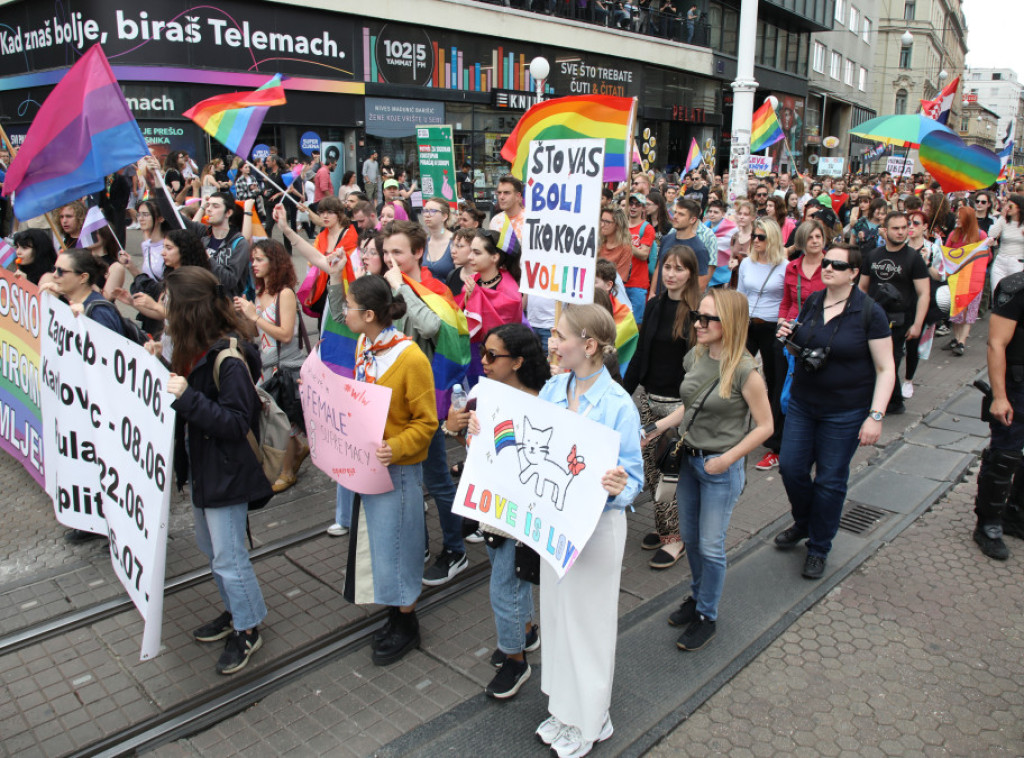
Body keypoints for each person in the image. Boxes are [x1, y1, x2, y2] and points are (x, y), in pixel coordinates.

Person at [534, 303, 643, 758]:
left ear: (590, 345)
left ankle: (592, 718)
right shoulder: (553, 388)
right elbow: (530, 438)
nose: (552, 343)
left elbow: (634, 480)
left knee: (590, 624)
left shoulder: (618, 404)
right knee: (558, 618)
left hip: (596, 531)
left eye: (560, 336)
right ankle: (564, 710)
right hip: (554, 524)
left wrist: (620, 486)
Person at [643, 289, 772, 651]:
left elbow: (765, 426)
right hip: (689, 461)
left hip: (720, 469)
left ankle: (707, 616)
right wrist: (656, 429)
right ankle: (698, 598)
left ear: (728, 323)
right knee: (694, 541)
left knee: (712, 547)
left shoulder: (746, 370)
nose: (697, 324)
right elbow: (691, 406)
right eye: (698, 316)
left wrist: (728, 459)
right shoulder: (696, 355)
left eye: (707, 319)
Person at [165, 267, 271, 675]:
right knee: (214, 552)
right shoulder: (195, 347)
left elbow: (234, 422)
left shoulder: (228, 357)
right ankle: (236, 609)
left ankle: (248, 627)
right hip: (206, 472)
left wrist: (188, 398)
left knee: (229, 557)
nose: (166, 310)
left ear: (189, 311)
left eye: (172, 304)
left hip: (226, 474)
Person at [774, 244, 895, 578]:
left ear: (854, 272)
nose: (826, 267)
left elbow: (886, 369)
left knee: (829, 480)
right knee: (791, 468)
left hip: (845, 411)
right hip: (803, 402)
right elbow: (803, 345)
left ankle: (819, 546)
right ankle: (804, 522)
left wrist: (876, 416)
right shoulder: (814, 301)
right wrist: (788, 337)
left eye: (836, 265)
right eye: (825, 262)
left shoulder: (870, 313)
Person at [445, 324, 548, 698]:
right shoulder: (482, 393)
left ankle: (516, 661)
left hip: (517, 510)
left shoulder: (541, 403)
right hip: (487, 504)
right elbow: (473, 445)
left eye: (492, 356)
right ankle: (525, 631)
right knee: (511, 581)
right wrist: (453, 427)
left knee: (504, 587)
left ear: (518, 362)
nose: (483, 362)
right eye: (483, 353)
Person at [338, 274, 436, 664]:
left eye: (348, 307)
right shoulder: (365, 343)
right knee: (381, 543)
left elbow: (427, 422)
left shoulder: (410, 357)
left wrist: (393, 447)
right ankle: (395, 612)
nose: (343, 312)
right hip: (370, 465)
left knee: (401, 545)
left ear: (370, 314)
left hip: (397, 469)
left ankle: (407, 620)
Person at [370, 221, 470, 586]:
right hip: (391, 397)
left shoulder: (432, 287)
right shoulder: (386, 283)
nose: (389, 259)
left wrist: (401, 288)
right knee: (407, 481)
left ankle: (456, 550)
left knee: (436, 480)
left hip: (425, 397)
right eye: (385, 253)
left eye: (397, 252)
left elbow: (429, 327)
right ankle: (422, 544)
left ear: (417, 253)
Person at [624, 244, 701, 569]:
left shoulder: (697, 312)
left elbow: (699, 367)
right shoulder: (655, 305)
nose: (671, 274)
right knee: (651, 472)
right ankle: (666, 526)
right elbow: (641, 353)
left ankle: (676, 537)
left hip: (677, 406)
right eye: (667, 267)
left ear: (691, 274)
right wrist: (619, 392)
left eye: (679, 269)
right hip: (647, 398)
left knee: (668, 475)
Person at [233, 239, 309, 493]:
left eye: (259, 259)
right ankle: (299, 449)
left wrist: (255, 316)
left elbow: (286, 334)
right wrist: (244, 315)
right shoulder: (260, 292)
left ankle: (287, 472)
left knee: (281, 418)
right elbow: (255, 332)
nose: (253, 265)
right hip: (267, 364)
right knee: (278, 417)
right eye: (253, 259)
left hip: (285, 365)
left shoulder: (285, 293)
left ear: (274, 262)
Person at [973, 269, 1024, 560]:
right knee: (1004, 457)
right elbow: (996, 344)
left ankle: (1016, 515)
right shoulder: (1016, 287)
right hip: (1017, 387)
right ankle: (988, 524)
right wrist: (1001, 396)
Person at [858, 212, 929, 416]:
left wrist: (917, 325)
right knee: (874, 360)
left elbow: (924, 293)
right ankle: (893, 400)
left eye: (904, 227)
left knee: (889, 361)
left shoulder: (913, 258)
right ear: (885, 230)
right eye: (895, 228)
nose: (901, 232)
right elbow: (862, 287)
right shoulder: (873, 255)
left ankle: (888, 402)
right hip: (873, 317)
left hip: (899, 321)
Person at [736, 217, 788, 471]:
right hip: (748, 324)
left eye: (761, 237)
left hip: (772, 327)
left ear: (772, 239)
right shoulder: (747, 262)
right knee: (735, 373)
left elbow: (787, 298)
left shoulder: (785, 266)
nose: (755, 241)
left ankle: (775, 442)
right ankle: (733, 428)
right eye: (754, 236)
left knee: (776, 381)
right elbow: (740, 295)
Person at [458, 229, 523, 387]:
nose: (470, 257)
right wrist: (468, 299)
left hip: (498, 362)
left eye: (476, 252)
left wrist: (475, 298)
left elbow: (502, 333)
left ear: (495, 257)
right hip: (472, 357)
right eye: (471, 251)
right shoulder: (472, 281)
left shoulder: (510, 291)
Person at [943, 206, 987, 356]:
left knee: (969, 310)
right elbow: (947, 253)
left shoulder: (980, 235)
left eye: (959, 218)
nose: (957, 221)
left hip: (973, 278)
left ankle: (962, 341)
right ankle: (956, 338)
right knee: (956, 309)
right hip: (957, 278)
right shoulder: (953, 235)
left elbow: (986, 256)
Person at [201, 193, 251, 298]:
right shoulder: (204, 238)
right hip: (204, 305)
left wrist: (208, 259)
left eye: (215, 206)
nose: (209, 209)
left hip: (227, 308)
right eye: (208, 205)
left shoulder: (239, 244)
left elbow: (230, 280)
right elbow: (179, 221)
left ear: (228, 213)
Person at [990, 194, 1024, 294]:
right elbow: (992, 234)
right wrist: (1001, 218)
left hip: (1017, 262)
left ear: (1019, 208)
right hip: (1001, 260)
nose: (1007, 208)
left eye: (1011, 206)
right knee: (995, 292)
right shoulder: (1004, 221)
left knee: (1013, 294)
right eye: (1006, 205)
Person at [422, 196, 456, 281]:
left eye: (433, 211)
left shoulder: (455, 242)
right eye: (425, 211)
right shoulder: (424, 243)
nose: (427, 215)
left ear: (444, 216)